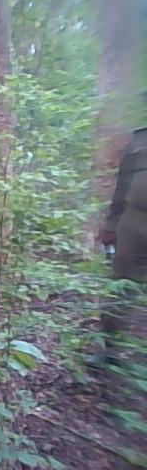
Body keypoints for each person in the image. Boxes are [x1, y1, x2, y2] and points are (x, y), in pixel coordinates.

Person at [99, 126, 147, 358]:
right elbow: (123, 183)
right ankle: (109, 347)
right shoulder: (141, 138)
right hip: (135, 219)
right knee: (122, 283)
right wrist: (111, 224)